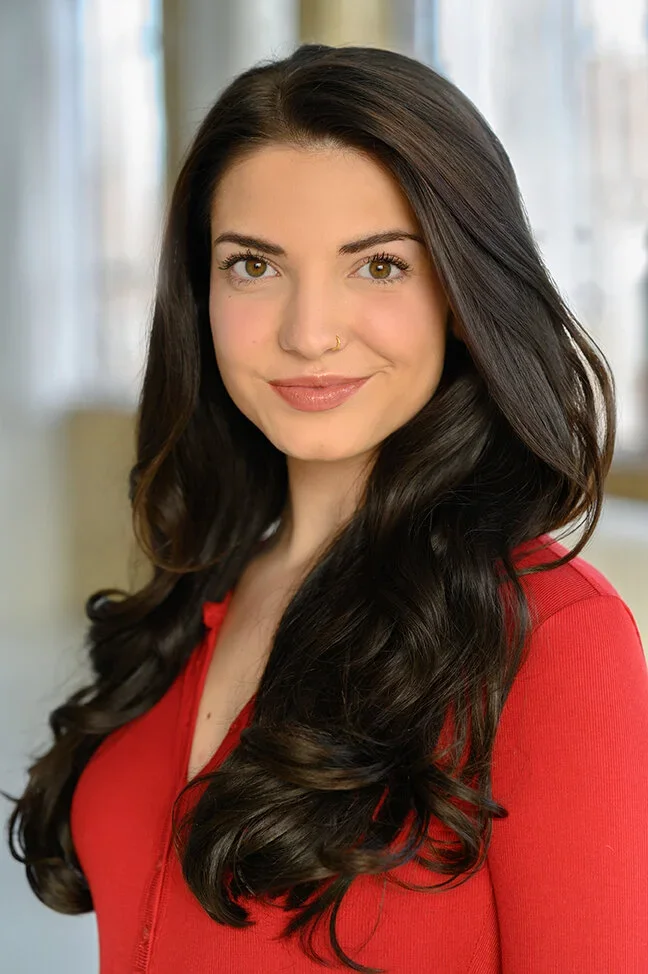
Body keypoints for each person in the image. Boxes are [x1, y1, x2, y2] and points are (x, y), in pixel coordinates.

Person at [4, 43, 648, 974]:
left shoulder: (554, 639)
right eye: (254, 266)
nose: (307, 333)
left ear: (464, 298)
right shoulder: (198, 588)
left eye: (379, 267)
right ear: (202, 291)